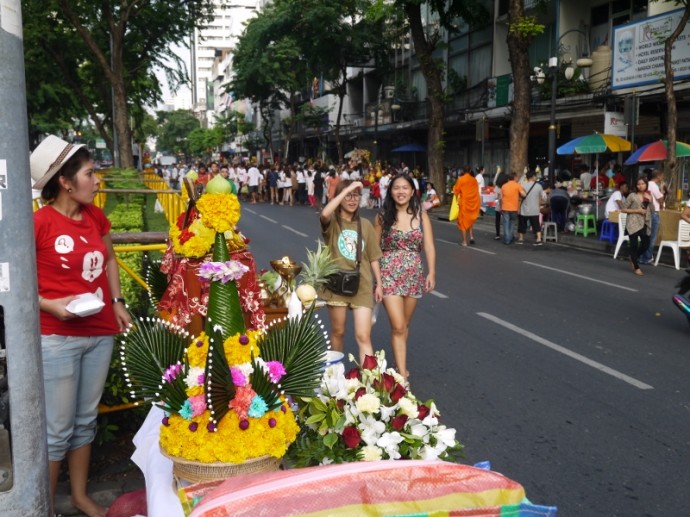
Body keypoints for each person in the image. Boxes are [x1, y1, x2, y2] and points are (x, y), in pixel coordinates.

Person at [30, 135, 132, 517]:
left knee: (85, 421)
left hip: (99, 332)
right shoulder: (37, 224)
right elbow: (16, 281)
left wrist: (117, 301)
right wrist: (49, 304)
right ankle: (41, 507)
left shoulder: (95, 216)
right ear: (66, 182)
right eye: (91, 174)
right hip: (55, 337)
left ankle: (79, 497)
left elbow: (108, 258)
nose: (98, 180)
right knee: (57, 431)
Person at [374, 174, 435, 384]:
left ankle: (399, 362)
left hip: (413, 274)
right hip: (388, 273)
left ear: (412, 191)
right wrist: (377, 281)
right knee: (398, 326)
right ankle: (401, 375)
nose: (401, 192)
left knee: (405, 325)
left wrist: (431, 272)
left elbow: (428, 246)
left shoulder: (421, 215)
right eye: (396, 188)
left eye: (405, 188)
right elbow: (373, 250)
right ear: (390, 191)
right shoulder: (383, 216)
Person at [320, 180, 383, 363]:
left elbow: (373, 256)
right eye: (348, 195)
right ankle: (336, 376)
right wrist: (346, 188)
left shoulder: (365, 225)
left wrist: (379, 283)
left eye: (356, 195)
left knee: (364, 336)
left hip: (362, 285)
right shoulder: (333, 223)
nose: (352, 199)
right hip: (336, 284)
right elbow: (324, 213)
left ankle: (370, 382)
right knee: (338, 332)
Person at [621, 176, 653, 276]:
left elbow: (652, 209)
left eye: (643, 184)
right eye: (638, 184)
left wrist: (651, 201)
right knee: (634, 245)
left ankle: (633, 257)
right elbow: (624, 209)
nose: (640, 186)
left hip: (644, 222)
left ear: (646, 185)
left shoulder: (648, 196)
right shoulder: (632, 195)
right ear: (636, 185)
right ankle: (636, 267)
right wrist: (637, 211)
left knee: (645, 245)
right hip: (633, 222)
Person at [639, 169, 665, 264]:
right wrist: (662, 189)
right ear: (658, 176)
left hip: (646, 212)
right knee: (652, 237)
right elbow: (661, 200)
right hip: (653, 213)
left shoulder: (647, 184)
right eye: (662, 176)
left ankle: (642, 256)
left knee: (646, 236)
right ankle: (647, 257)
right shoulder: (654, 186)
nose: (663, 178)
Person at [453, 165, 481, 246]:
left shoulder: (461, 180)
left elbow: (456, 191)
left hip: (464, 203)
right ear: (470, 170)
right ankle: (471, 237)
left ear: (463, 171)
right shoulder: (474, 180)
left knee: (463, 223)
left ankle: (464, 241)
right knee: (470, 220)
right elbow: (476, 192)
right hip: (473, 203)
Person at [517, 170, 545, 245]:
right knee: (536, 224)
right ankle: (538, 239)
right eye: (535, 176)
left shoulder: (523, 186)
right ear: (532, 177)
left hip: (524, 209)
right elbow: (542, 198)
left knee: (522, 224)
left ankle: (521, 238)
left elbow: (520, 198)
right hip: (535, 209)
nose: (536, 177)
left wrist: (518, 208)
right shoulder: (539, 186)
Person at [498, 172, 524, 244]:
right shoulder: (517, 185)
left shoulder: (504, 186)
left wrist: (501, 207)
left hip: (505, 208)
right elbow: (523, 194)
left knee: (506, 224)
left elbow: (500, 198)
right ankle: (509, 237)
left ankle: (507, 239)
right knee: (512, 223)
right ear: (514, 178)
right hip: (514, 208)